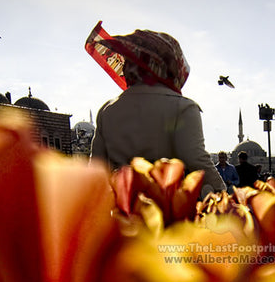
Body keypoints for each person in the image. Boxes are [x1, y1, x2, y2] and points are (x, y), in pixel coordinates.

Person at [88, 27, 225, 196]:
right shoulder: (183, 108)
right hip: (166, 209)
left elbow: (96, 168)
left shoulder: (108, 109)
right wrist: (221, 191)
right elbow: (195, 158)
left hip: (123, 210)